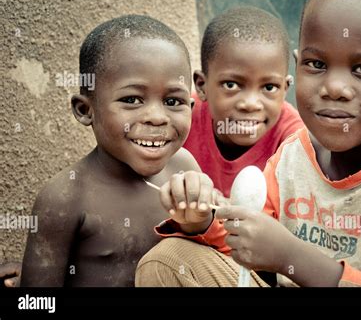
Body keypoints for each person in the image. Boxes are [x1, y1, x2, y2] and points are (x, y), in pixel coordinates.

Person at [136, 0, 361, 287]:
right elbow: (250, 237)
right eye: (317, 64)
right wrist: (203, 222)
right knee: (168, 261)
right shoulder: (294, 155)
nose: (335, 87)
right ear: (297, 67)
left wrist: (292, 256)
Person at [20, 14, 217, 286]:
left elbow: (211, 258)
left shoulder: (182, 167)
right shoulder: (65, 198)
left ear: (191, 107)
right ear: (86, 110)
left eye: (173, 101)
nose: (157, 117)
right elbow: (37, 300)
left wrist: (201, 222)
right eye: (132, 99)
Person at [183, 6, 304, 197]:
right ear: (202, 86)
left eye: (269, 87)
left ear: (284, 90)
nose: (250, 104)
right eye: (231, 85)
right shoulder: (184, 118)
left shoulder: (293, 140)